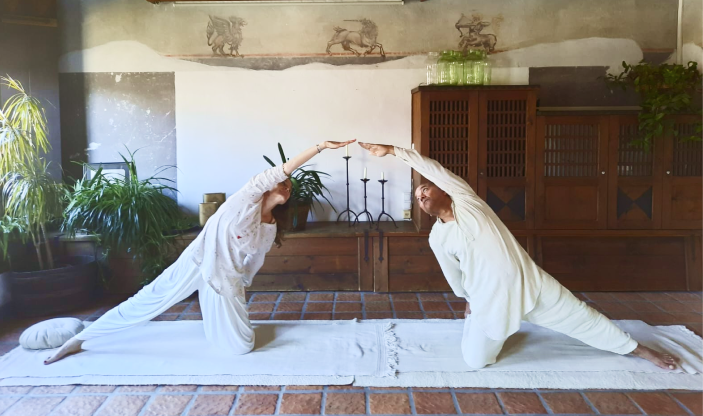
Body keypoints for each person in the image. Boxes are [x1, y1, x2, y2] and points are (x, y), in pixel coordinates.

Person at [358, 142, 679, 371]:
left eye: (426, 189)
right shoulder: (437, 236)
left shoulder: (469, 204)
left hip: (531, 284)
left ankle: (639, 349)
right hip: (489, 299)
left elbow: (436, 170)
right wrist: (468, 300)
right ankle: (485, 323)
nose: (422, 196)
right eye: (418, 197)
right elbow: (453, 275)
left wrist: (395, 151)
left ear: (445, 190)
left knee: (582, 317)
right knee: (476, 361)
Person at [44, 139, 355, 365]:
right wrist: (319, 147)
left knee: (242, 346)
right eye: (282, 183)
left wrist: (243, 280)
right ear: (268, 186)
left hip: (225, 277)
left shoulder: (270, 225)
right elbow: (279, 170)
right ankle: (79, 340)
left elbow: (256, 258)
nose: (286, 187)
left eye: (289, 187)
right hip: (196, 261)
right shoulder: (244, 200)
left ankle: (215, 324)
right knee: (147, 299)